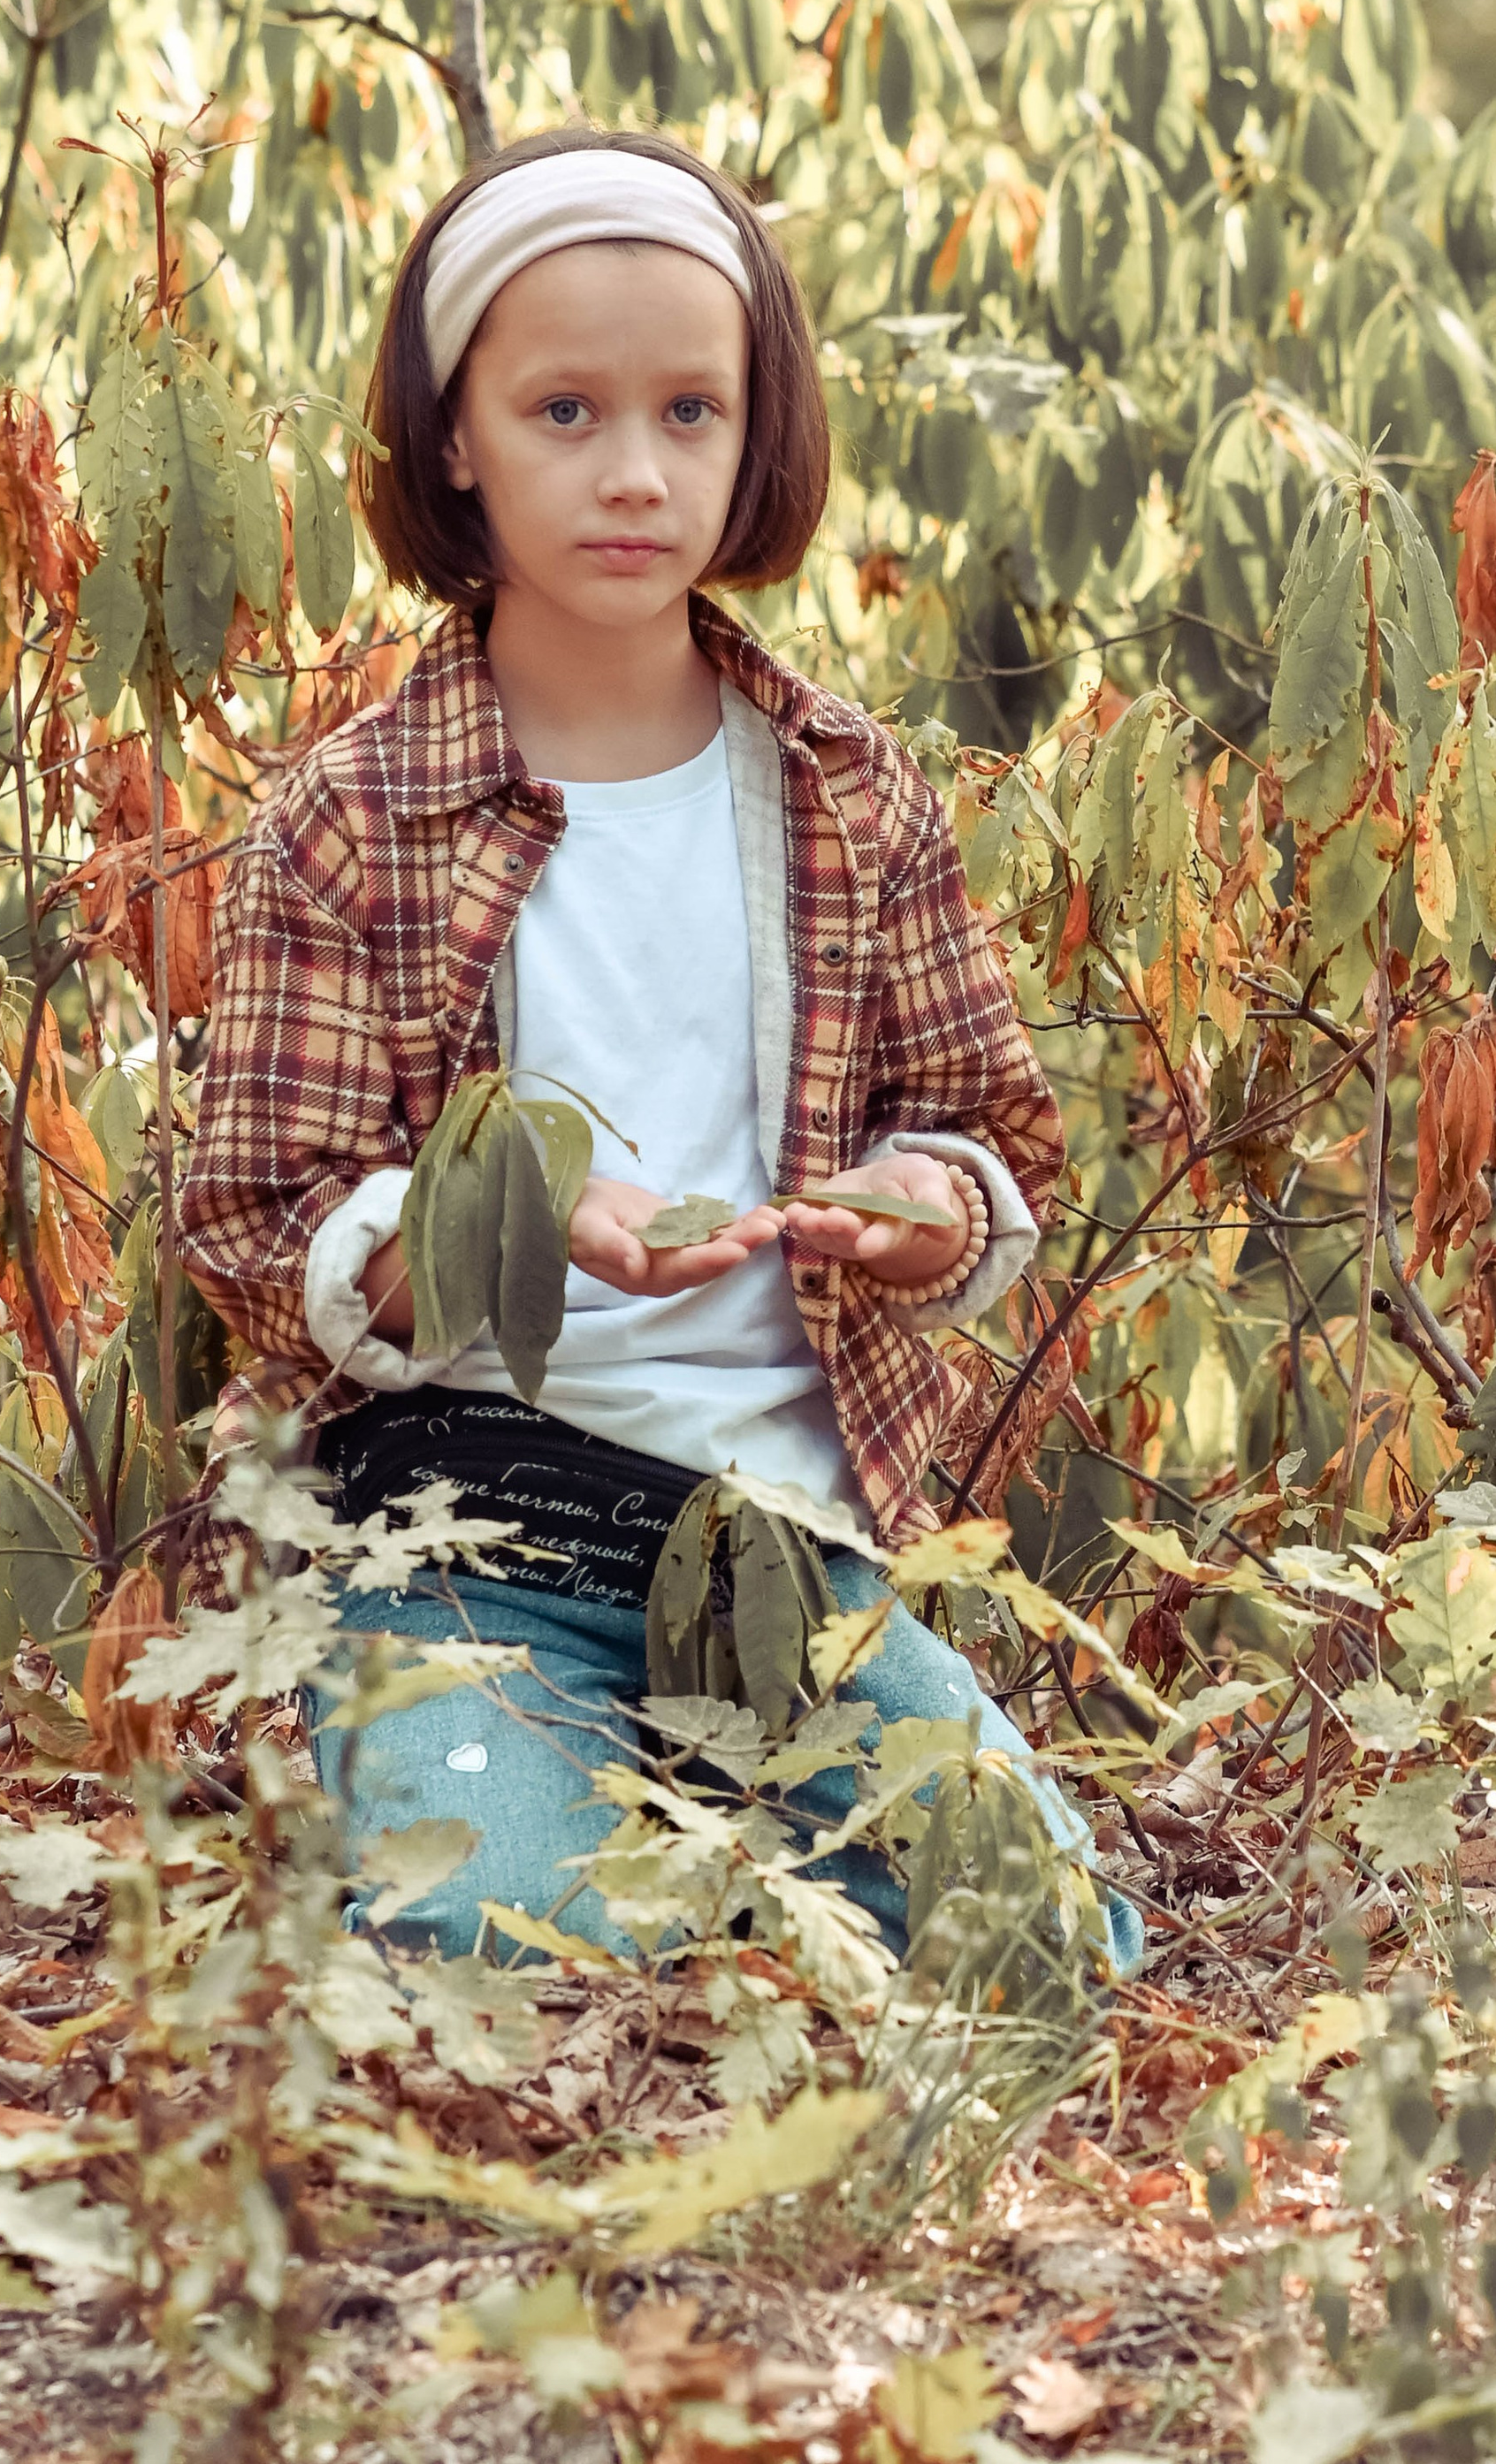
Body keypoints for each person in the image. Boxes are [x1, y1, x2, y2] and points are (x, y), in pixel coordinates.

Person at [180, 124, 1142, 1977]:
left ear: (753, 434)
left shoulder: (847, 793)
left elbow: (981, 1132)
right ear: (452, 437)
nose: (633, 472)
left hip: (788, 1538)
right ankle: (588, 1814)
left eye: (690, 413)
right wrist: (514, 1216)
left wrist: (912, 1208)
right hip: (466, 1532)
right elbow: (249, 1220)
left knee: (1045, 1951)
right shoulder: (350, 818)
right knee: (485, 1934)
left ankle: (719, 1805)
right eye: (562, 411)